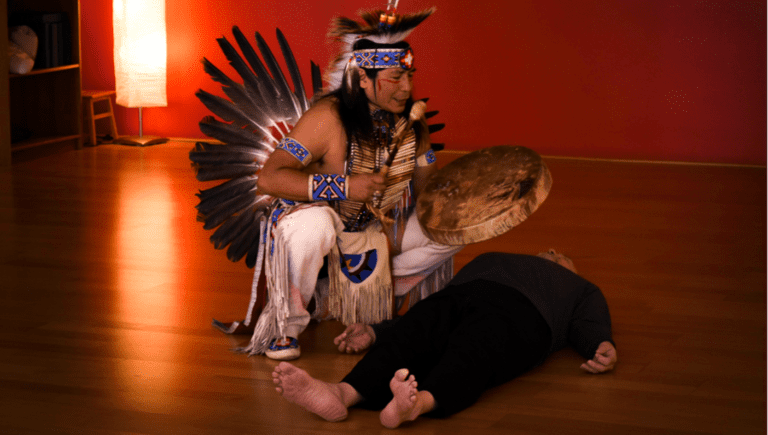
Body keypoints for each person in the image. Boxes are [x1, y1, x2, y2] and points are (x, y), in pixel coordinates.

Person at [246, 7, 462, 360]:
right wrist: (345, 187)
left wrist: (457, 200)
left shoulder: (412, 124)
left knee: (452, 228)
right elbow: (270, 177)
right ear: (363, 77)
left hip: (375, 230)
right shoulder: (327, 118)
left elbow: (427, 192)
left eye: (409, 76)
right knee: (313, 226)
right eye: (395, 77)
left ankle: (358, 294)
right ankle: (287, 324)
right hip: (320, 223)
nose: (407, 87)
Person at [271, 251, 617, 428]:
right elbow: (417, 319)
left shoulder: (576, 287)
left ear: (568, 268)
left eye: (561, 256)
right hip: (460, 296)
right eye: (551, 251)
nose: (554, 252)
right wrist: (377, 330)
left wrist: (600, 344)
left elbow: (591, 321)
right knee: (418, 330)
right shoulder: (493, 259)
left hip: (524, 312)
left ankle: (418, 403)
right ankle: (342, 393)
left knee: (478, 347)